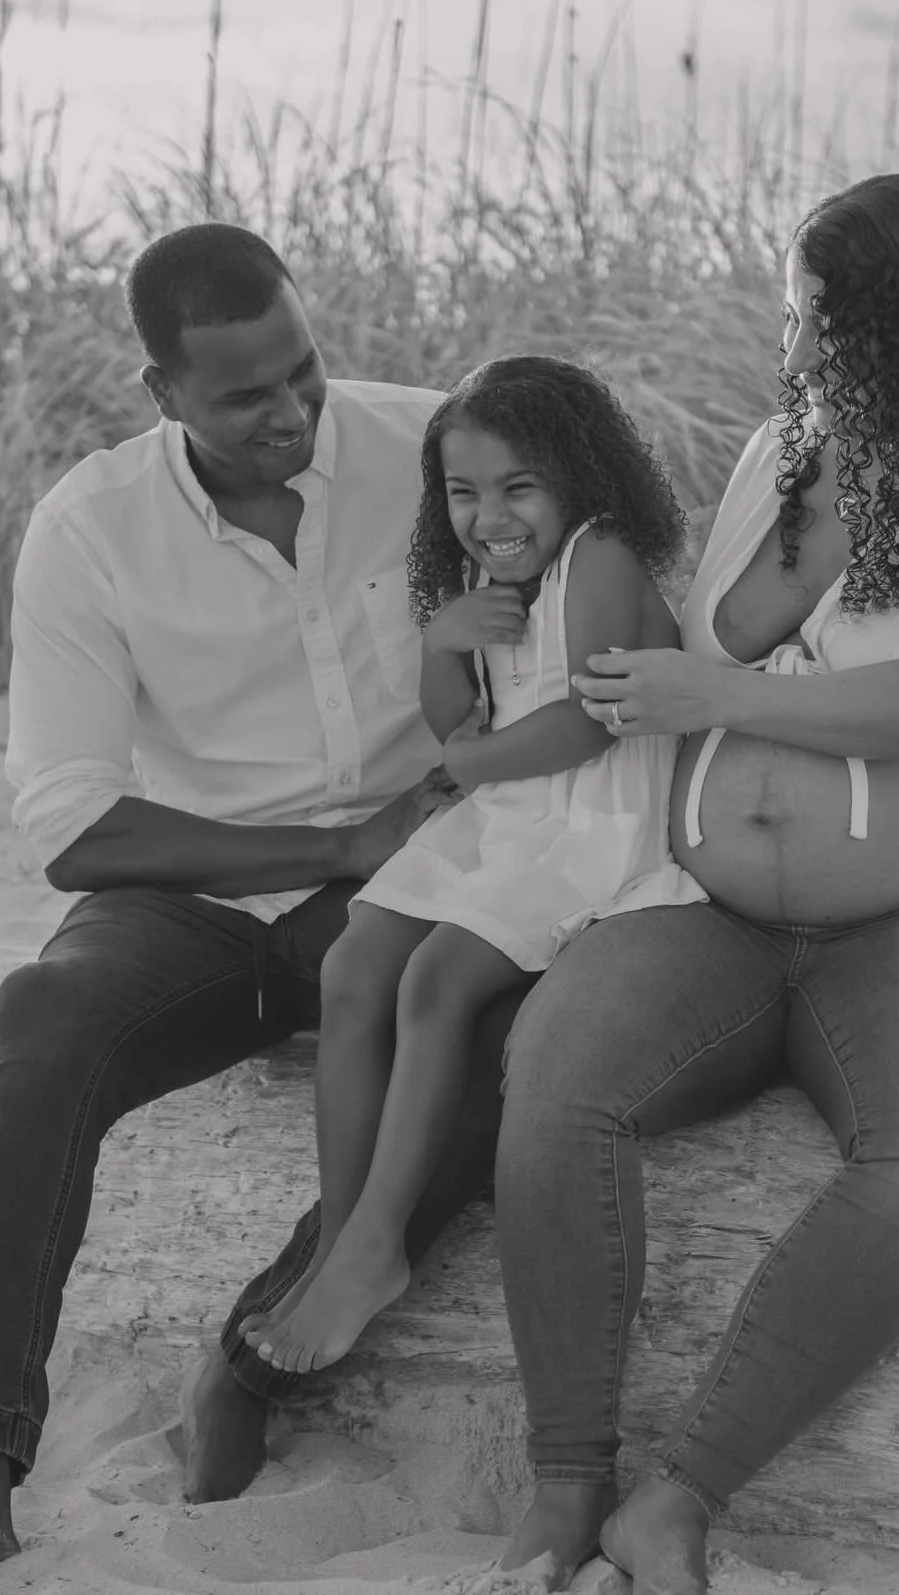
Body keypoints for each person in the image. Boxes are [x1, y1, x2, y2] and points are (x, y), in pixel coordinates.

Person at [0, 223, 523, 1595]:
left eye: (305, 373)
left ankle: (252, 1364)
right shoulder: (92, 531)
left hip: (395, 894)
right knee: (40, 1027)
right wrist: (333, 834)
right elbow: (75, 826)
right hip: (195, 895)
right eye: (244, 396)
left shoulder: (423, 453)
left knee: (500, 1033)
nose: (291, 414)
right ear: (163, 395)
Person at [491, 172, 899, 1594]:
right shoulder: (780, 454)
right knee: (553, 1083)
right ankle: (566, 1484)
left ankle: (682, 1494)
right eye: (798, 322)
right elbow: (694, 646)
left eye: (832, 327)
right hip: (710, 913)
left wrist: (721, 691)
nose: (805, 353)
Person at [238, 357, 706, 1375]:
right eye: (462, 492)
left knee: (439, 978)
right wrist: (443, 646)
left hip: (596, 824)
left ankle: (376, 1244)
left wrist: (466, 762)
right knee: (355, 964)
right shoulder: (487, 581)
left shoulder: (601, 557)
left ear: (580, 478)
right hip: (509, 822)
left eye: (516, 487)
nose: (489, 515)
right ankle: (340, 1236)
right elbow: (462, 717)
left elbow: (588, 724)